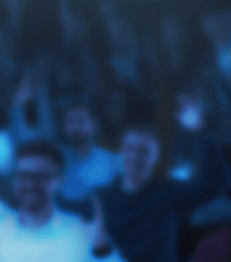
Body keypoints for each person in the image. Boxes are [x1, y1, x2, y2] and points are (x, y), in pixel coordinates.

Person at [97, 110, 230, 262]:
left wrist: (200, 133)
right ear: (120, 152)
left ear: (156, 157)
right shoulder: (101, 198)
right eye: (129, 149)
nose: (135, 157)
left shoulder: (167, 194)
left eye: (144, 151)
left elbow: (216, 183)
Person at [0, 140, 119, 262]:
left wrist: (102, 248)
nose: (30, 184)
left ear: (58, 181)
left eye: (40, 176)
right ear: (15, 180)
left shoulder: (81, 234)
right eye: (24, 176)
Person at [56, 103, 122, 218]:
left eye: (80, 120)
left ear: (94, 125)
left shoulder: (114, 161)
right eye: (70, 121)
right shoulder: (53, 161)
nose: (75, 126)